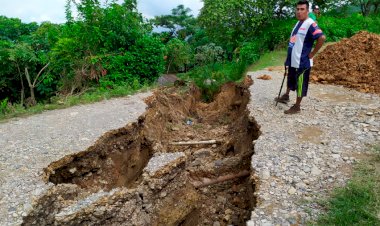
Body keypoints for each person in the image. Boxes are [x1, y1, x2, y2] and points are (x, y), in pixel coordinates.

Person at [276, 0, 326, 114]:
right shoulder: (298, 23)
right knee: (290, 78)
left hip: (302, 61)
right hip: (293, 59)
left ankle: (297, 106)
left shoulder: (310, 23)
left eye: (302, 9)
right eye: (297, 9)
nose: (299, 12)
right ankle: (286, 96)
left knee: (301, 83)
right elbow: (294, 40)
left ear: (307, 11)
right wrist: (288, 56)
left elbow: (321, 38)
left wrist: (312, 53)